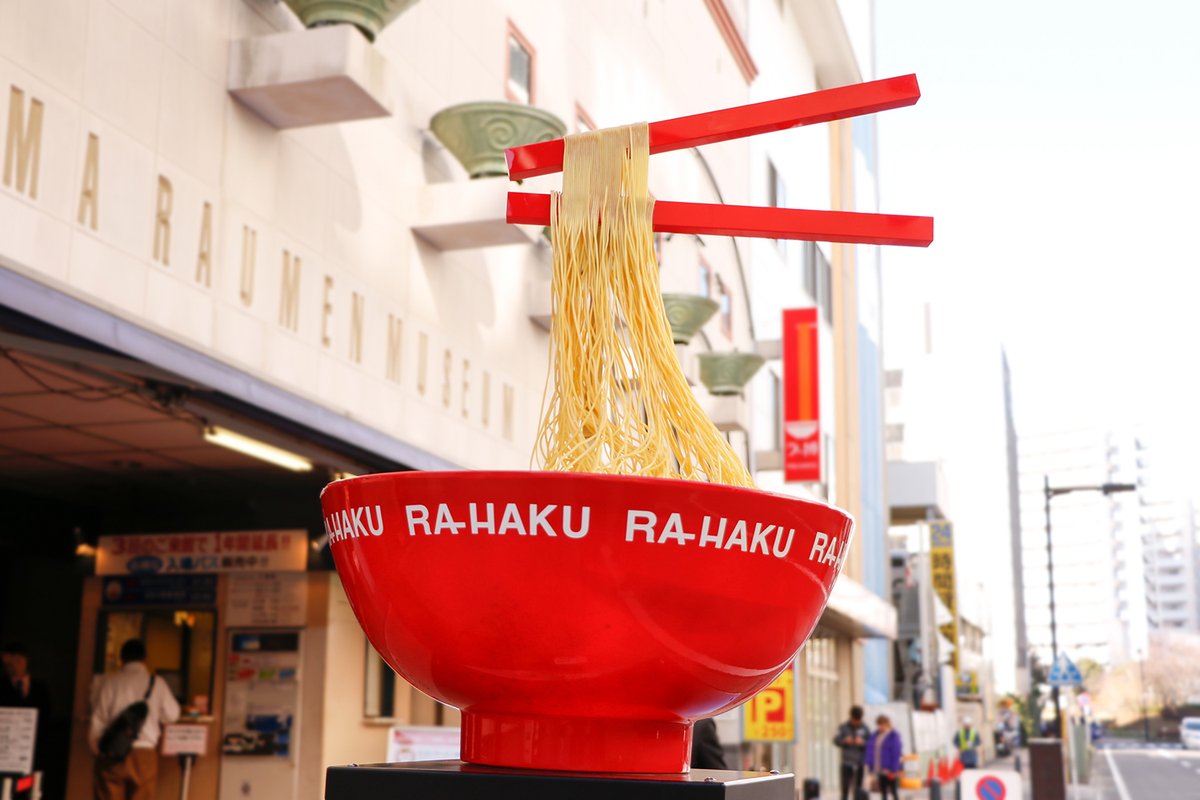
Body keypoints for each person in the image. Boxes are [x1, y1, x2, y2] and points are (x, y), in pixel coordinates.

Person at [88, 639, 180, 800]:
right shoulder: (157, 683)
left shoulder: (109, 682)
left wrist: (97, 750)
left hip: (112, 751)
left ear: (121, 659)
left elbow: (98, 718)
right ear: (145, 659)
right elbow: (172, 715)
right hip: (144, 754)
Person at [833, 705, 871, 800]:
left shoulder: (865, 728)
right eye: (855, 720)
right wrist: (845, 741)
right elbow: (836, 740)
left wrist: (862, 742)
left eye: (858, 720)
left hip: (859, 763)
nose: (856, 722)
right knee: (845, 787)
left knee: (858, 789)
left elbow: (871, 744)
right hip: (846, 762)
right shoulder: (843, 727)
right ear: (851, 717)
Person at [864, 715, 902, 800]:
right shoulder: (875, 735)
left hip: (890, 769)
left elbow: (896, 753)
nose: (880, 727)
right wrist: (870, 765)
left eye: (882, 725)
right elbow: (871, 750)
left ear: (887, 724)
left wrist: (894, 769)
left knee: (893, 791)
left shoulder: (893, 736)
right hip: (880, 768)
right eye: (879, 725)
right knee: (883, 791)